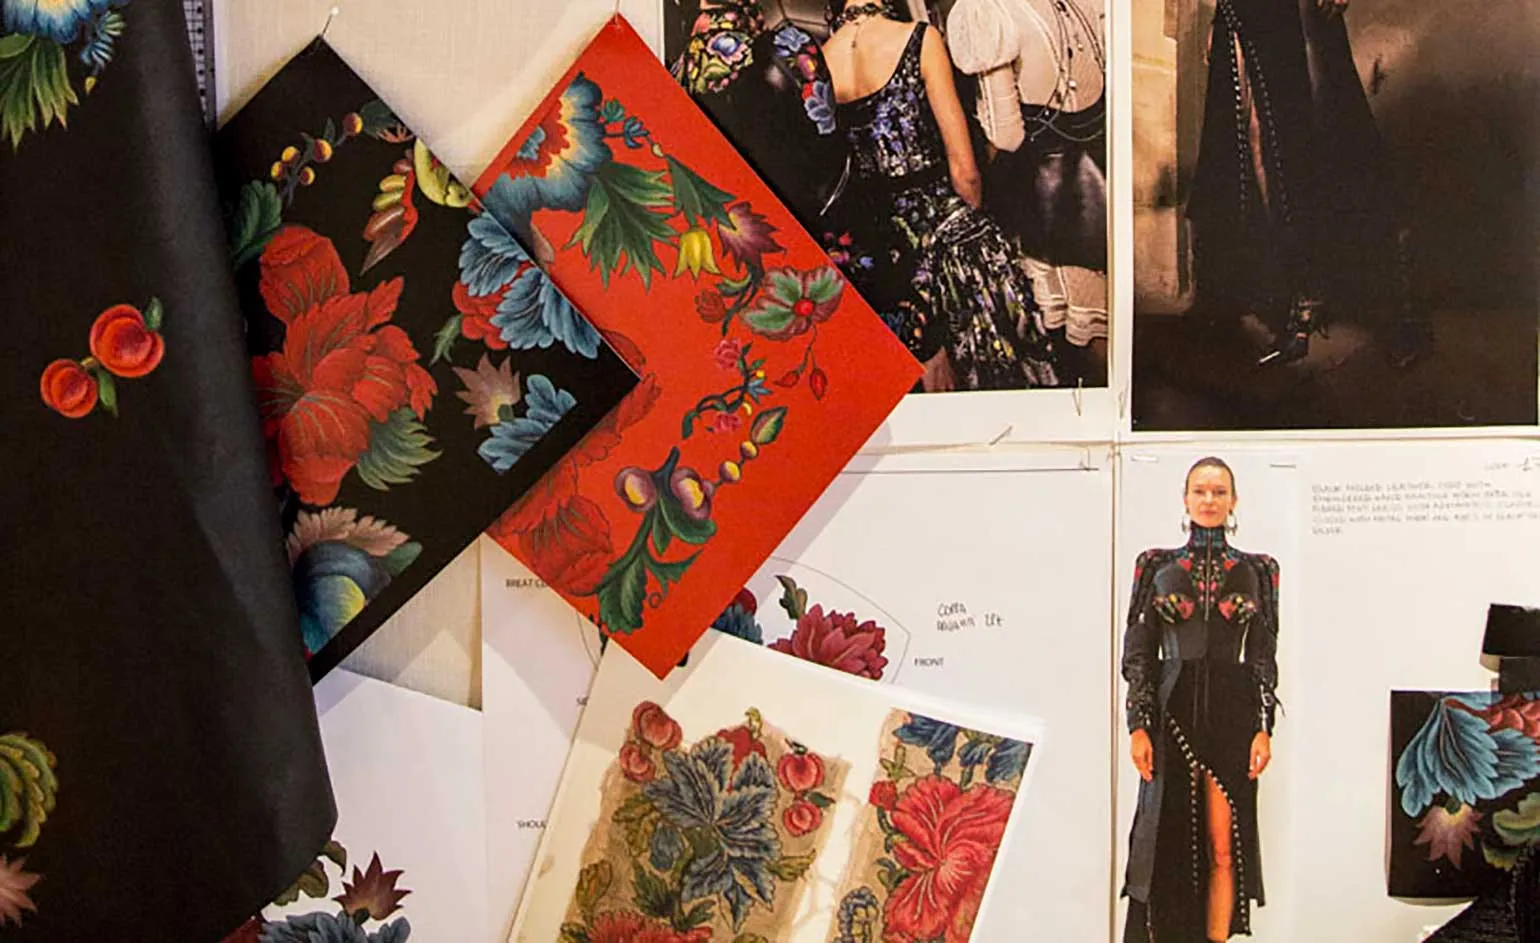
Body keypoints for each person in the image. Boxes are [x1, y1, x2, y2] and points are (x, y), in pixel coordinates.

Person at [825, 0, 1063, 391]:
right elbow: (964, 171)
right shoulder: (920, 39)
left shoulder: (821, 60)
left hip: (886, 254)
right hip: (947, 236)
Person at [1187, 0, 1430, 366]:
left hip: (1300, 15)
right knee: (1256, 147)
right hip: (1243, 14)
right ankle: (1299, 302)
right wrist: (1220, 15)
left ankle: (1393, 314)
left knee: (1331, 142)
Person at [1121, 457, 1280, 942]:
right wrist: (1138, 724)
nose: (1209, 500)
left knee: (1224, 847)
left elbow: (1264, 653)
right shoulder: (1155, 565)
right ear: (1185, 498)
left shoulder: (1260, 569)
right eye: (1200, 491)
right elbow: (1138, 650)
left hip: (1233, 716)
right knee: (1168, 844)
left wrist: (1263, 728)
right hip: (1170, 710)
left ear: (1234, 501)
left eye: (1219, 492)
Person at [946, 0, 1110, 354]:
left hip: (1052, 194)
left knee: (1079, 331)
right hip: (1103, 171)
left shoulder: (990, 11)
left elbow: (1007, 135)